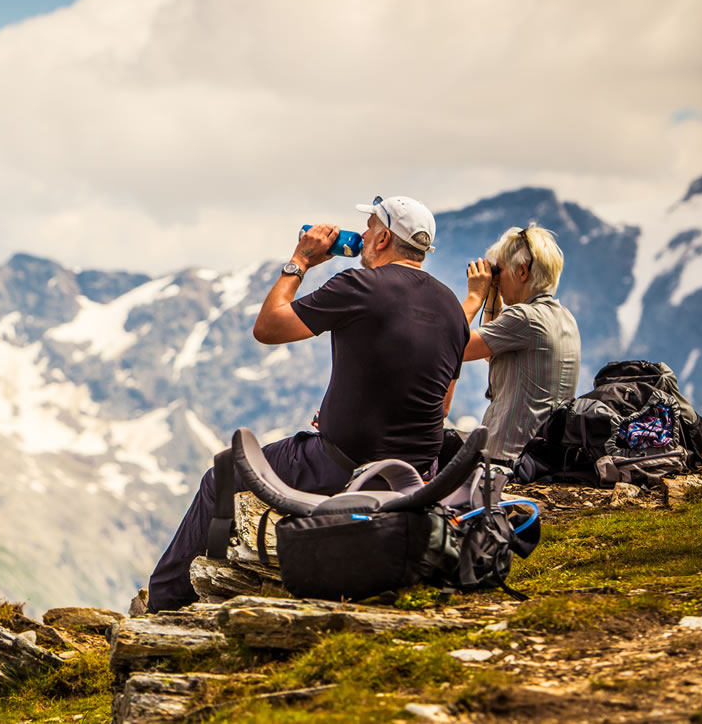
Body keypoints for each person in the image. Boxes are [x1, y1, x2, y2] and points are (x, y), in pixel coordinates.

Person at [146, 196, 469, 612]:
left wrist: (300, 259)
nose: (363, 237)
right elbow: (441, 407)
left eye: (369, 228)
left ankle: (170, 606)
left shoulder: (360, 285)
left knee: (221, 476)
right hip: (417, 476)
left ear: (385, 237)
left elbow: (268, 327)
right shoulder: (451, 307)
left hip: (342, 463)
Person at [461, 224, 581, 465]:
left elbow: (451, 347)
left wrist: (475, 297)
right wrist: (494, 296)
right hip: (539, 456)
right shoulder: (564, 316)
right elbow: (489, 353)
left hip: (506, 457)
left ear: (522, 271)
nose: (498, 278)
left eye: (501, 270)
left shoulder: (524, 318)